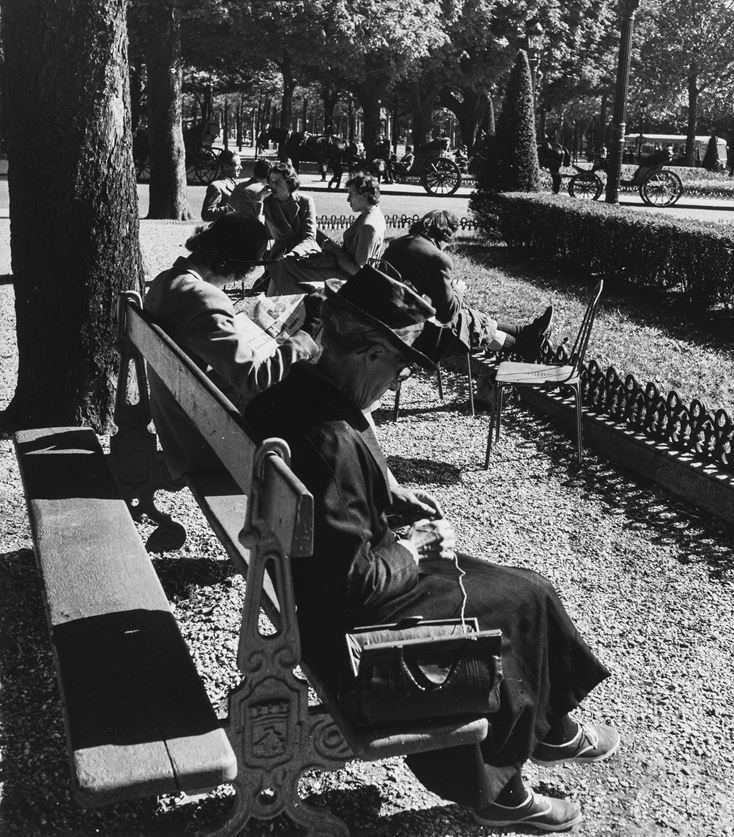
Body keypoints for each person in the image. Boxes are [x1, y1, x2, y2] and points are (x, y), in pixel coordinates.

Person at [244, 266, 618, 832]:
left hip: (308, 586)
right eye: (396, 368)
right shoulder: (331, 438)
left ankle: (547, 728)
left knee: (518, 588)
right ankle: (503, 788)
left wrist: (389, 496)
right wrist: (413, 548)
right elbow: (353, 586)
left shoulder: (301, 393)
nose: (393, 384)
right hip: (345, 626)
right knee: (525, 598)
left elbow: (333, 503)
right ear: (369, 352)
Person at [144, 214, 320, 479]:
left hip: (178, 425)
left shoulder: (166, 280)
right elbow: (253, 379)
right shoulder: (203, 298)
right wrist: (302, 341)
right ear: (238, 265)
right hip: (207, 442)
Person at [382, 210, 553, 362]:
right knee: (468, 322)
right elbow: (447, 314)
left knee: (470, 316)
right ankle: (527, 349)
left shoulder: (397, 245)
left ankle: (526, 332)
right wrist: (458, 290)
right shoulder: (437, 259)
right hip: (420, 333)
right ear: (445, 236)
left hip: (391, 318)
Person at [260, 162, 322, 295]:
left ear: (290, 183)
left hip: (303, 254)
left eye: (277, 182)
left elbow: (310, 237)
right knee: (275, 293)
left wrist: (291, 255)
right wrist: (259, 201)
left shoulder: (305, 201)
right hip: (279, 256)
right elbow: (258, 231)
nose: (272, 185)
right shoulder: (266, 202)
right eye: (270, 181)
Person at [201, 149, 242, 221]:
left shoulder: (233, 182)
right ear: (226, 167)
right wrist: (228, 209)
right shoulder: (216, 186)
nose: (241, 168)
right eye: (237, 165)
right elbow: (206, 214)